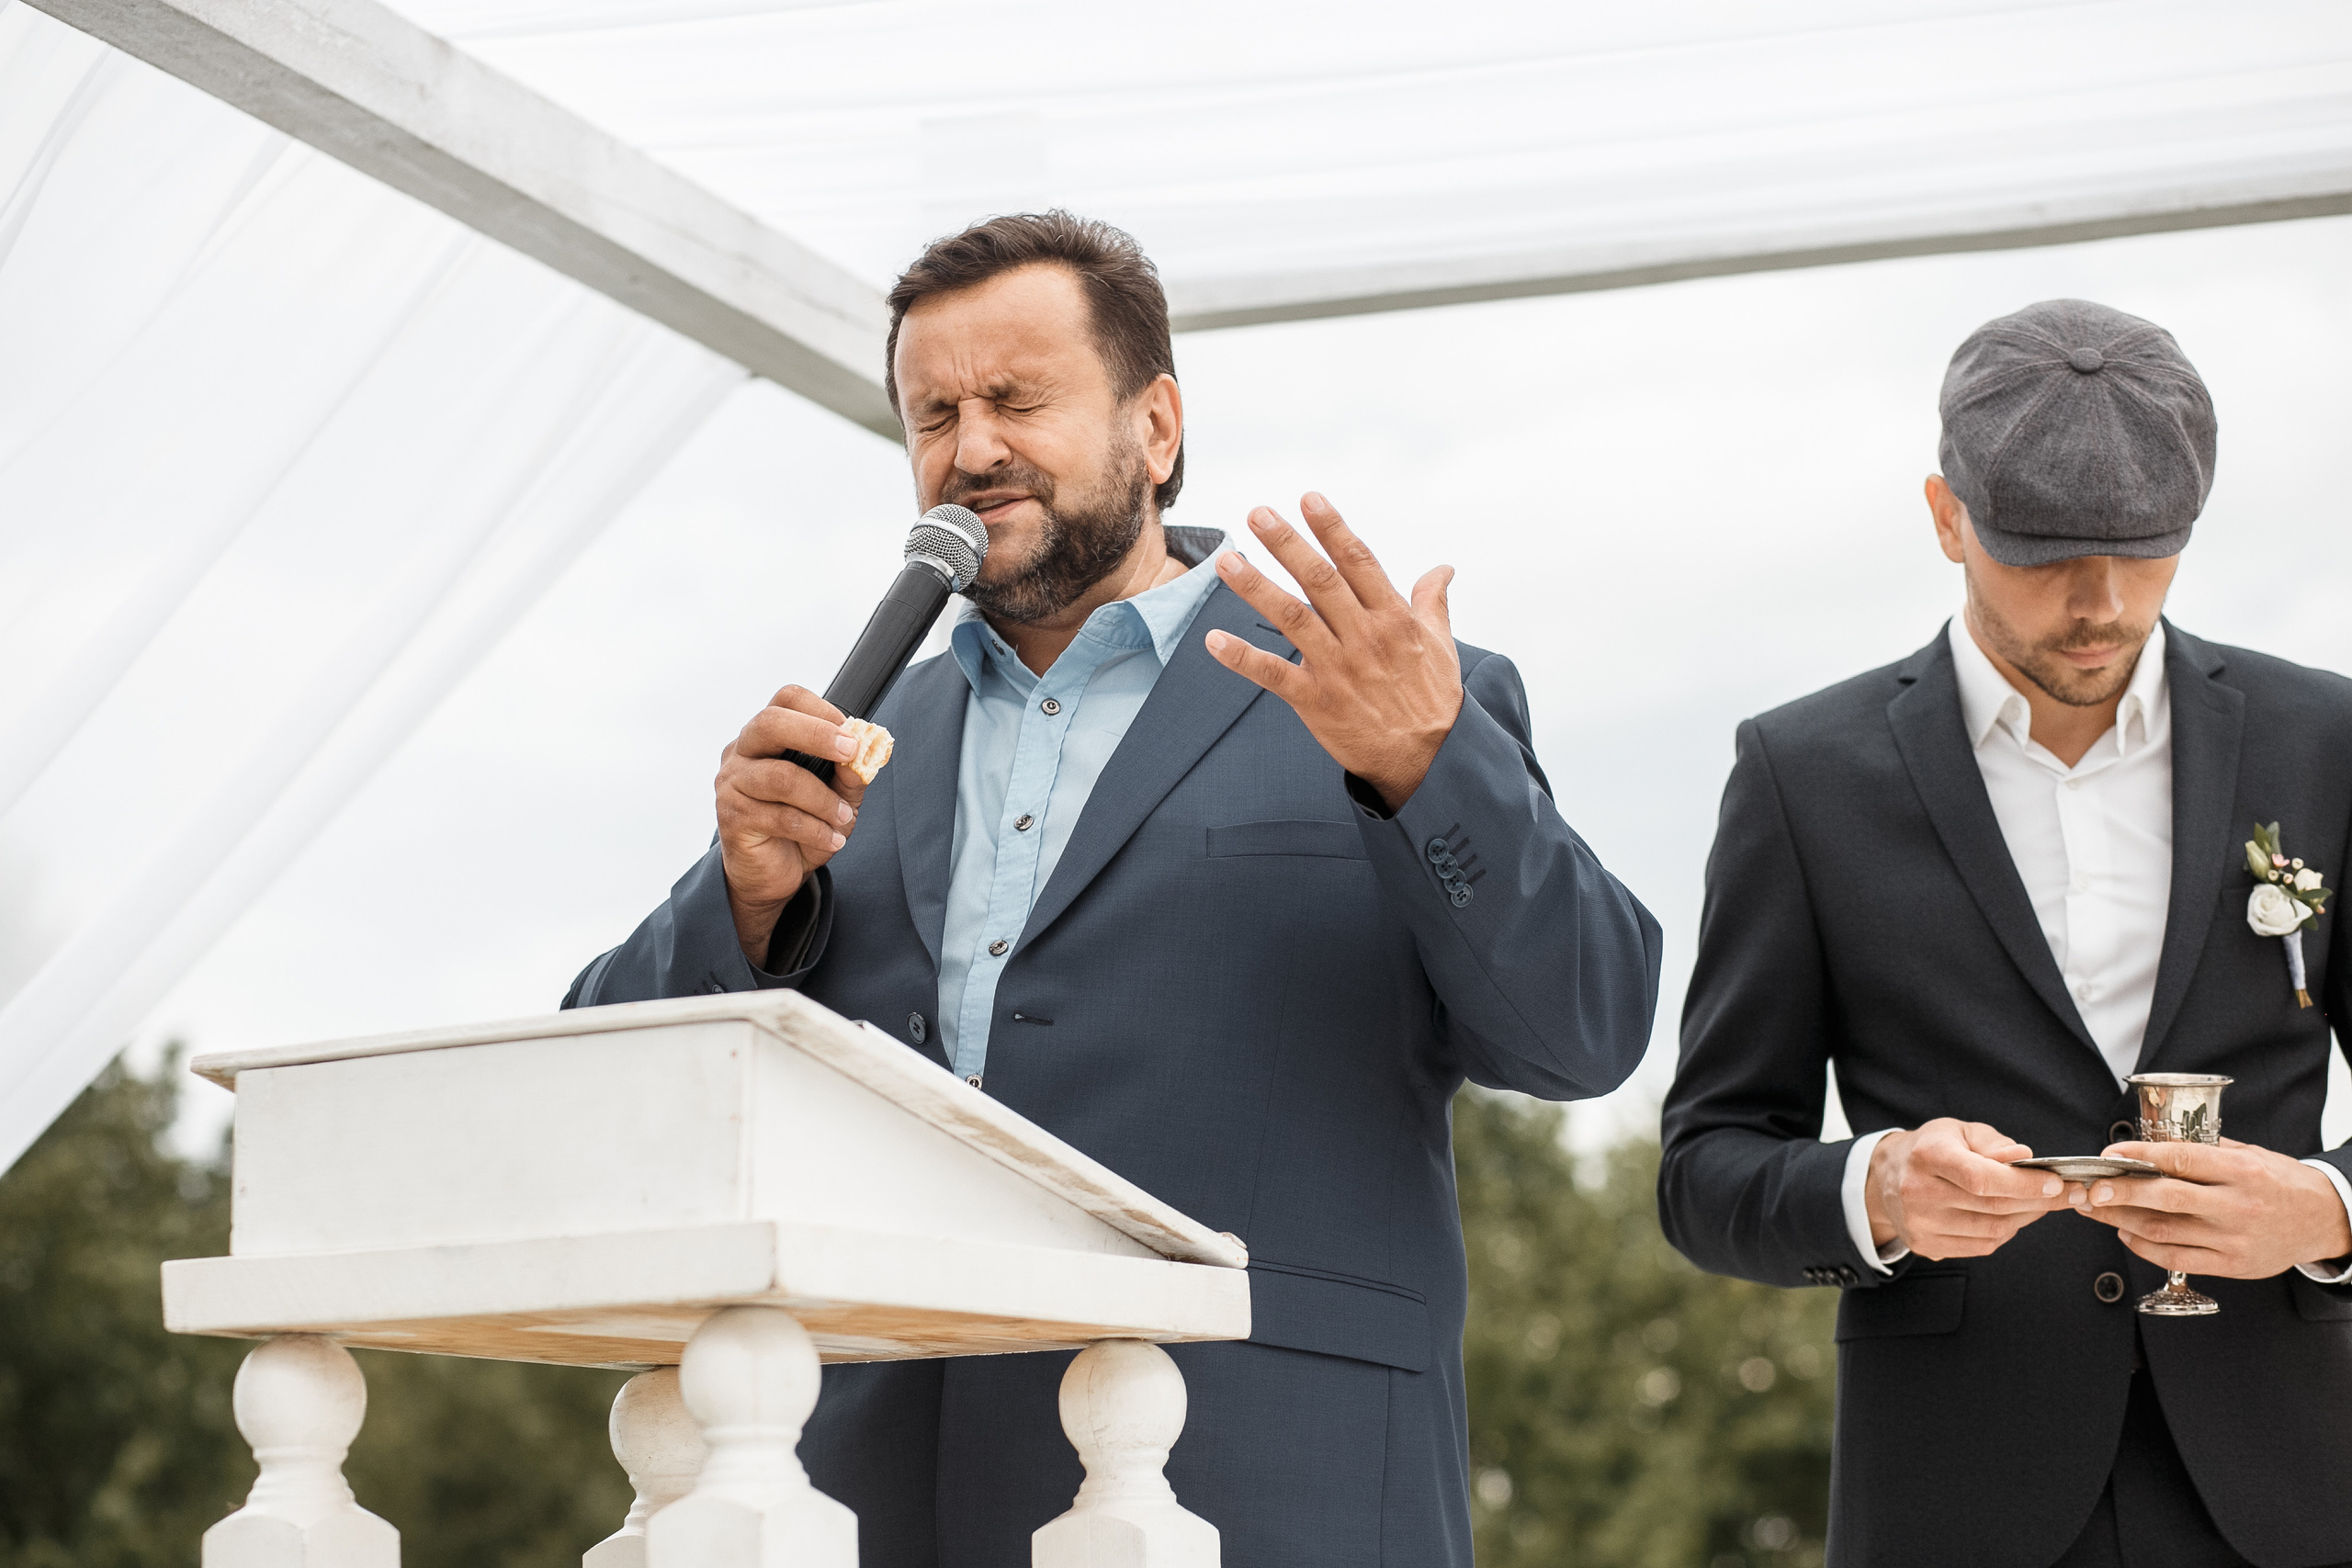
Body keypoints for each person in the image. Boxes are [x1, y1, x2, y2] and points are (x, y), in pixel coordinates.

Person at [564, 211, 1662, 1567]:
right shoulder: (856, 756)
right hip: (882, 1503)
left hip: (1271, 1485)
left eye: (1017, 399)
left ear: (1157, 428)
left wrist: (1428, 770)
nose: (970, 450)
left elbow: (1584, 1035)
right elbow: (599, 1090)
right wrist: (739, 901)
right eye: (934, 413)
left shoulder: (1388, 697)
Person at [1660, 298, 2352, 1568]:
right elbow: (1705, 1168)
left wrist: (2329, 1212)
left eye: (2145, 552)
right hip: (1955, 1508)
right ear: (1945, 516)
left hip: (2293, 1497)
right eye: (2042, 553)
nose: (2098, 604)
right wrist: (1876, 1189)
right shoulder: (1801, 774)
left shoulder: (2326, 740)